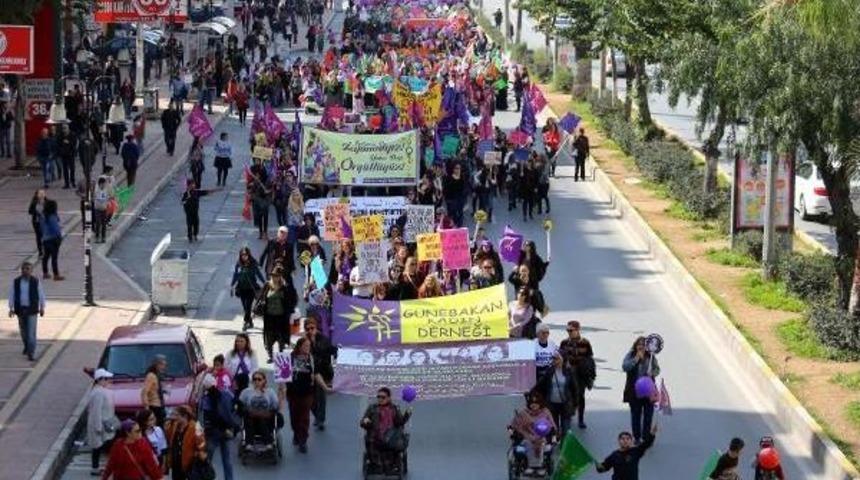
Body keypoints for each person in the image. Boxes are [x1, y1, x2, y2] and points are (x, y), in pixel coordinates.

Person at [285, 337, 331, 452]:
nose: (307, 348)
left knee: (304, 418)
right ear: (299, 346)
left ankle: (303, 440)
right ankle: (296, 433)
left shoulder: (311, 359)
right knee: (294, 418)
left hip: (307, 393)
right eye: (305, 346)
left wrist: (325, 387)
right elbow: (283, 374)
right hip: (293, 393)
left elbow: (316, 374)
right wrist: (281, 391)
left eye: (309, 346)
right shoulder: (290, 358)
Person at [360, 387, 412, 474]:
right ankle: (377, 465)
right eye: (378, 397)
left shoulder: (395, 408)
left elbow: (400, 422)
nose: (380, 399)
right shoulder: (372, 408)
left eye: (383, 397)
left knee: (395, 444)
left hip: (390, 438)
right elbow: (362, 422)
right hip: (375, 437)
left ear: (388, 398)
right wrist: (366, 422)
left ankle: (391, 465)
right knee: (370, 441)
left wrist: (407, 414)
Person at [198, 374, 240, 480]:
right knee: (227, 459)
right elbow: (235, 405)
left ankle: (207, 477)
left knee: (207, 459)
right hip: (226, 430)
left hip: (213, 433)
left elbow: (209, 417)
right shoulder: (226, 393)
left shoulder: (206, 399)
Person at [622, 337, 660, 445]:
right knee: (636, 415)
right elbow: (625, 367)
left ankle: (646, 437)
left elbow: (657, 369)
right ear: (635, 345)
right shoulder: (631, 355)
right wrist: (636, 359)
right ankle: (637, 437)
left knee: (648, 416)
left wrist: (652, 373)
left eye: (643, 345)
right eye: (639, 344)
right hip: (634, 392)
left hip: (648, 391)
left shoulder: (651, 356)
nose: (641, 346)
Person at [508, 392, 556, 476]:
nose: (534, 405)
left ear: (540, 404)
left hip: (543, 438)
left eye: (536, 404)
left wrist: (554, 435)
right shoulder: (523, 413)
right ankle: (531, 467)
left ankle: (539, 467)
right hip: (526, 438)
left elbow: (552, 426)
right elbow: (513, 425)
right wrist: (512, 432)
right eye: (532, 404)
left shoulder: (545, 412)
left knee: (541, 443)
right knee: (529, 443)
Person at [559, 320, 595, 429]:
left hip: (581, 374)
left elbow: (590, 358)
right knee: (568, 395)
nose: (569, 332)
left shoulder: (585, 342)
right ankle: (569, 415)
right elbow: (560, 356)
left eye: (571, 330)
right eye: (567, 330)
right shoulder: (564, 343)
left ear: (578, 330)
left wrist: (591, 375)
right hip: (568, 373)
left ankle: (581, 419)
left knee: (580, 396)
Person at [258, 267, 299, 362]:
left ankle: (280, 354)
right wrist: (261, 304)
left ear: (280, 277)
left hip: (281, 317)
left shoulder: (285, 288)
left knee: (281, 337)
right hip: (269, 317)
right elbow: (261, 297)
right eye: (273, 276)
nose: (274, 278)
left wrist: (290, 310)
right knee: (269, 337)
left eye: (276, 276)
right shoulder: (267, 285)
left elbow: (292, 299)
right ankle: (270, 355)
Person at [8, 261, 45, 361]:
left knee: (31, 333)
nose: (25, 271)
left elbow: (41, 295)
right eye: (23, 269)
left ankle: (31, 352)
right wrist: (11, 308)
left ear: (31, 271)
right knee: (23, 332)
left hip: (32, 310)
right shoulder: (16, 282)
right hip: (20, 310)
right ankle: (27, 346)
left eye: (27, 269)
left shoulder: (35, 281)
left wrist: (42, 307)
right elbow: (11, 295)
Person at [305, 316, 337, 431]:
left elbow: (323, 352)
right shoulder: (305, 340)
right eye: (307, 329)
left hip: (322, 372)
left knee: (320, 397)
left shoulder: (323, 339)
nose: (310, 331)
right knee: (309, 398)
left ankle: (320, 420)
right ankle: (317, 416)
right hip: (309, 373)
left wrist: (313, 341)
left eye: (312, 328)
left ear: (316, 327)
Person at [534, 353, 578, 434]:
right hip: (552, 405)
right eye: (553, 358)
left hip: (565, 405)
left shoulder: (569, 372)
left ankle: (564, 446)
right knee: (554, 429)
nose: (554, 360)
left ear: (562, 360)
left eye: (557, 358)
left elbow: (574, 389)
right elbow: (540, 384)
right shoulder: (550, 371)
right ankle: (556, 444)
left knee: (566, 430)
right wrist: (531, 392)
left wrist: (575, 405)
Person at [594, 424, 658, 480]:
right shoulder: (614, 455)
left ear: (631, 441)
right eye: (623, 439)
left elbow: (646, 444)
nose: (625, 441)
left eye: (628, 439)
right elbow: (604, 467)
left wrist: (652, 434)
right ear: (619, 441)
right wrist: (598, 466)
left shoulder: (636, 451)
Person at [87, 368, 119, 475]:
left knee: (99, 447)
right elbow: (96, 411)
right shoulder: (99, 393)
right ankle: (97, 468)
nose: (109, 381)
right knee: (100, 447)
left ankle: (96, 468)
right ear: (100, 380)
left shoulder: (99, 391)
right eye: (106, 379)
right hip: (101, 425)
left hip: (104, 424)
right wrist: (98, 427)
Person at [164, 405, 206, 480]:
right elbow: (168, 438)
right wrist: (168, 424)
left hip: (189, 464)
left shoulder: (196, 426)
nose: (174, 417)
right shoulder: (174, 425)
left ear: (185, 416)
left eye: (177, 415)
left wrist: (200, 456)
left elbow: (202, 445)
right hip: (176, 463)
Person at [239, 370, 280, 443]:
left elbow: (276, 405)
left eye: (259, 379)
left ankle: (268, 443)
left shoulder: (270, 391)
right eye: (255, 379)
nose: (256, 381)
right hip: (251, 417)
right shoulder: (246, 392)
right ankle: (249, 444)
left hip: (265, 418)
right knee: (247, 418)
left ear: (264, 380)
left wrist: (281, 392)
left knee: (263, 420)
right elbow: (240, 404)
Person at [231, 247, 265, 331]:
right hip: (241, 288)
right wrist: (232, 285)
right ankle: (250, 321)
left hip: (251, 288)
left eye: (245, 254)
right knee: (245, 307)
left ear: (248, 255)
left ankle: (245, 322)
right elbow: (235, 275)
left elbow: (258, 274)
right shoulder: (239, 264)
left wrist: (265, 282)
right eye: (242, 255)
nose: (244, 256)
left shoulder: (253, 263)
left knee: (248, 306)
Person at [40, 199, 64, 280]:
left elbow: (41, 227)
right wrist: (60, 236)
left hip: (45, 238)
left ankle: (45, 272)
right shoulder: (52, 216)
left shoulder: (43, 215)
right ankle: (56, 274)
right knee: (54, 257)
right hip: (53, 239)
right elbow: (55, 228)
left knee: (46, 256)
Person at [141, 355, 168, 426]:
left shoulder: (156, 376)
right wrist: (147, 409)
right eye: (162, 365)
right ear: (157, 365)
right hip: (154, 406)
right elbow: (144, 392)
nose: (164, 367)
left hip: (159, 405)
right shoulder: (151, 376)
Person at [93, 177, 112, 243]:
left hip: (104, 209)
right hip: (97, 209)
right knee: (98, 223)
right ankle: (97, 237)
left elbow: (109, 196)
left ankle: (103, 237)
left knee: (104, 223)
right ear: (100, 184)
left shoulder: (106, 189)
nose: (104, 185)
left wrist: (108, 200)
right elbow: (95, 196)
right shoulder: (96, 190)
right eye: (103, 184)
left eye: (105, 184)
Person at [28, 189, 47, 257]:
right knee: (39, 236)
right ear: (37, 195)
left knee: (45, 236)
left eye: (43, 193)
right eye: (40, 193)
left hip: (46, 222)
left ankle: (46, 250)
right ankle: (40, 251)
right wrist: (36, 213)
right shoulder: (34, 203)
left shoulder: (47, 202)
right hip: (37, 222)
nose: (42, 195)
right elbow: (30, 211)